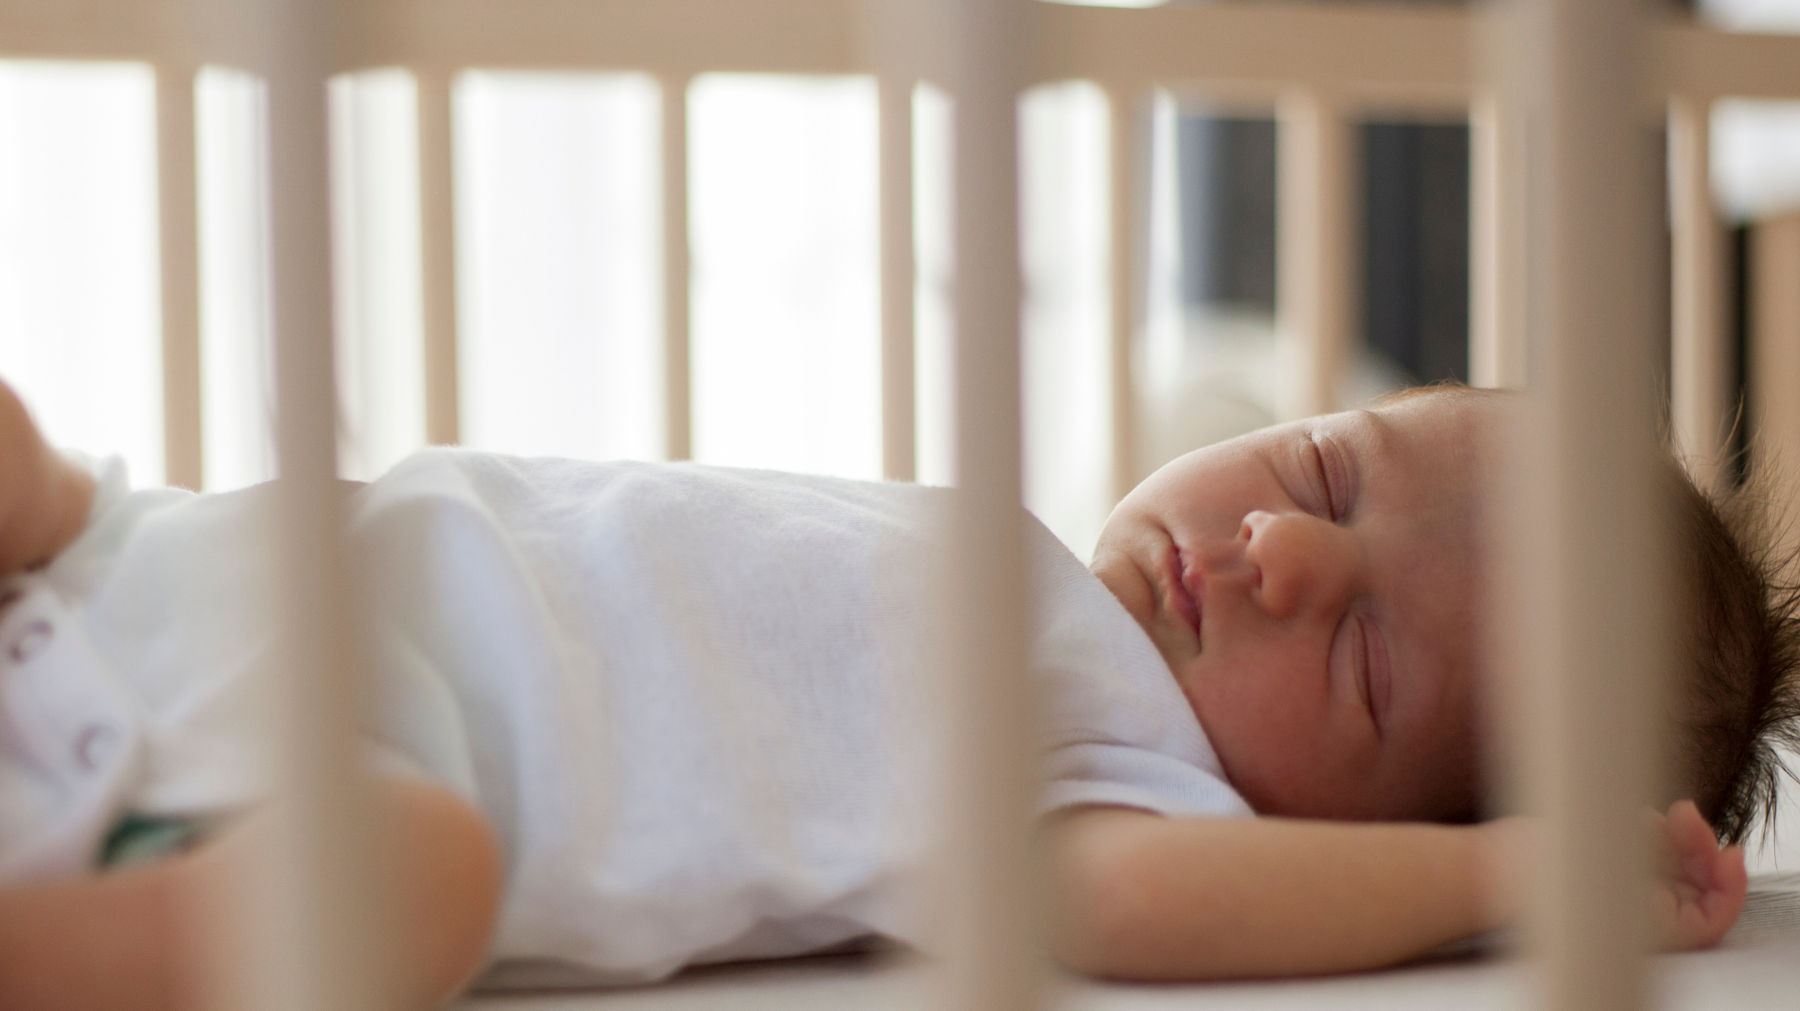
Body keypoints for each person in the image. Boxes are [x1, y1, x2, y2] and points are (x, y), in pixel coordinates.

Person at [0, 378, 1782, 1011]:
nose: (1271, 552)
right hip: (180, 563)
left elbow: (1115, 904)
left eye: (1366, 661)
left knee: (418, 882)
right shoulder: (1020, 574)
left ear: (1356, 835)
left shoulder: (1134, 769)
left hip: (330, 776)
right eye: (1321, 469)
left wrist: (1520, 872)